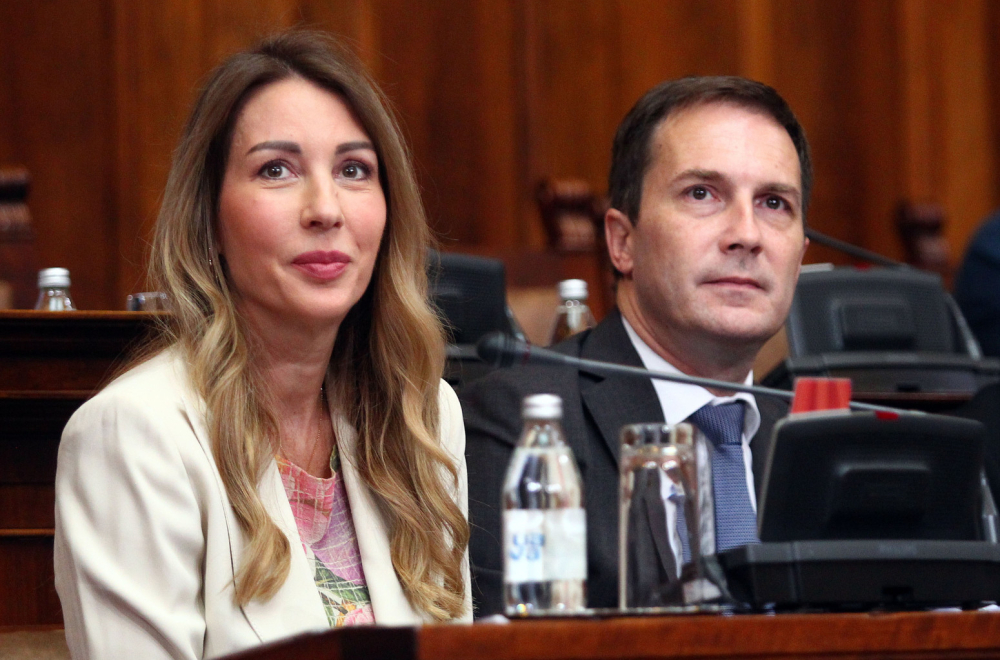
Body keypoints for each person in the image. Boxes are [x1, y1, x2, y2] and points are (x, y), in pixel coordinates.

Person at [54, 31, 471, 659]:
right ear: (209, 222)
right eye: (276, 170)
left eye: (353, 170)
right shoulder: (133, 436)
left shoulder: (423, 415)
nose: (325, 208)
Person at [462, 76, 811, 615]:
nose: (747, 234)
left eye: (773, 202)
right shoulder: (520, 422)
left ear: (800, 255)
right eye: (702, 193)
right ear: (623, 242)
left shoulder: (811, 445)